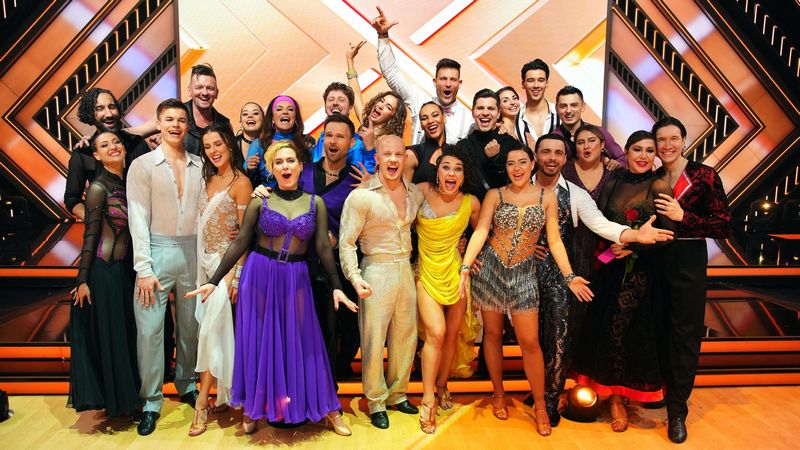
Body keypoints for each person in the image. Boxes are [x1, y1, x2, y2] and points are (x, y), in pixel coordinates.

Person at [187, 140, 356, 435]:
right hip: (260, 275)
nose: (285, 166)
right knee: (259, 343)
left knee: (306, 342)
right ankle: (253, 409)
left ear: (300, 166)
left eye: (290, 161)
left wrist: (336, 286)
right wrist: (213, 280)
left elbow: (322, 248)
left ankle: (329, 408)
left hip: (297, 277)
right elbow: (241, 242)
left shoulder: (314, 203)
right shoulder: (260, 200)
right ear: (271, 168)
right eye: (279, 162)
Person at [530, 133, 674, 426]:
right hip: (521, 277)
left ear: (565, 159)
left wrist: (634, 237)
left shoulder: (576, 194)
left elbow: (601, 224)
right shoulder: (518, 187)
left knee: (559, 336)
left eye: (558, 153)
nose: (552, 158)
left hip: (564, 275)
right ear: (535, 156)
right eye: (546, 152)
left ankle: (550, 399)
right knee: (530, 339)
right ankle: (536, 390)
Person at [459, 144, 594, 437]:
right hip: (491, 270)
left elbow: (554, 240)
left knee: (530, 341)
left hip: (524, 274)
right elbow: (481, 231)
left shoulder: (548, 197)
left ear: (532, 164)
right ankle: (498, 393)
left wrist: (569, 276)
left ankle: (541, 406)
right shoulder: (495, 195)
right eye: (511, 163)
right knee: (493, 334)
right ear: (506, 168)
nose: (517, 168)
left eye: (522, 162)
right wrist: (466, 266)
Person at [572, 130, 676, 432]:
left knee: (625, 335)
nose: (643, 156)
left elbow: (670, 234)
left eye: (649, 150)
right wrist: (613, 245)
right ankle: (604, 391)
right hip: (610, 268)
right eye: (637, 150)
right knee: (603, 333)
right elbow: (601, 221)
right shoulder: (614, 181)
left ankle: (619, 399)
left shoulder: (658, 185)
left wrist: (633, 246)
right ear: (626, 152)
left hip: (643, 274)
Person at [651, 117, 731, 443]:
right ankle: (661, 391)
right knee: (658, 330)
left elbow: (723, 225)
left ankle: (677, 411)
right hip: (654, 260)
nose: (667, 145)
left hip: (688, 260)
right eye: (661, 140)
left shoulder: (704, 176)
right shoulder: (653, 176)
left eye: (674, 138)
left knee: (685, 336)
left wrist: (684, 217)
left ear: (684, 140)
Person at [127, 99, 202, 436]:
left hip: (192, 251)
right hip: (156, 252)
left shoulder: (200, 164)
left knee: (190, 326)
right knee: (149, 331)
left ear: (188, 126)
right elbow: (137, 217)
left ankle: (187, 383)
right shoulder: (142, 165)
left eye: (181, 120)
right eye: (169, 119)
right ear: (158, 123)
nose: (175, 125)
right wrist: (143, 268)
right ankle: (151, 401)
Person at [339, 135, 424, 430]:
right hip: (375, 269)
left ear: (405, 158)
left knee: (406, 336)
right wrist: (355, 277)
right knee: (373, 339)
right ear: (377, 159)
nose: (393, 160)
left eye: (398, 154)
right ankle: (376, 401)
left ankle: (398, 393)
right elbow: (346, 242)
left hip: (406, 268)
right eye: (387, 154)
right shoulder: (361, 196)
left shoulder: (415, 193)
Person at [69, 131, 140, 418]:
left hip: (125, 272)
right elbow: (91, 236)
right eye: (104, 145)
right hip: (104, 272)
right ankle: (120, 405)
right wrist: (82, 279)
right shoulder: (98, 187)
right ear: (96, 155)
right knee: (115, 338)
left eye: (116, 142)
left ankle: (129, 401)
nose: (113, 147)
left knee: (127, 336)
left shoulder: (128, 182)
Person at [188, 123, 253, 436]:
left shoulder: (242, 183)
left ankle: (202, 402)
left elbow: (244, 236)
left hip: (226, 268)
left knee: (211, 331)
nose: (213, 151)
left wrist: (236, 276)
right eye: (207, 146)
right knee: (213, 331)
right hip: (204, 266)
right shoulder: (207, 179)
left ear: (229, 144)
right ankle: (224, 397)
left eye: (218, 144)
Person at [415, 144, 481, 433]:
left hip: (455, 273)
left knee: (452, 334)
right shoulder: (420, 191)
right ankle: (427, 399)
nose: (451, 173)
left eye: (458, 169)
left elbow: (481, 232)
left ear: (464, 175)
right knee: (437, 333)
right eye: (446, 167)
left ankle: (442, 385)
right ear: (437, 171)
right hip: (425, 271)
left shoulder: (472, 203)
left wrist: (471, 257)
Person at [300, 113, 362, 379]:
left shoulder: (358, 179)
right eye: (329, 135)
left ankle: (337, 374)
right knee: (306, 324)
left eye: (340, 136)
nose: (333, 141)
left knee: (346, 327)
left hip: (340, 265)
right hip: (303, 263)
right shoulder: (303, 171)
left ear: (351, 142)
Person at [371, 7, 473, 144]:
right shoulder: (419, 101)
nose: (448, 84)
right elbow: (392, 74)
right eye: (443, 79)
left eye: (453, 80)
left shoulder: (469, 118)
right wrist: (383, 36)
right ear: (434, 82)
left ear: (459, 84)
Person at [66, 88, 150, 219]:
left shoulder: (137, 143)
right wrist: (99, 222)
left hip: (145, 222)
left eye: (112, 107)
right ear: (90, 114)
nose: (109, 114)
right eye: (99, 109)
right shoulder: (83, 153)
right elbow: (72, 199)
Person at [126, 64, 231, 156]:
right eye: (199, 87)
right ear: (189, 91)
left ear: (216, 93)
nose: (204, 93)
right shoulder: (170, 114)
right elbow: (136, 132)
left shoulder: (224, 124)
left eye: (210, 88)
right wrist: (114, 133)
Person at [457, 89, 520, 199]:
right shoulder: (462, 147)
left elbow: (515, 185)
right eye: (480, 108)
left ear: (498, 113)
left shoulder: (512, 145)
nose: (485, 113)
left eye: (490, 108)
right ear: (473, 112)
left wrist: (495, 159)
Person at [246, 95, 312, 186]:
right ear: (272, 118)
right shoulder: (258, 145)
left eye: (290, 109)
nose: (285, 112)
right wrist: (249, 170)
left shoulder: (307, 143)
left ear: (296, 118)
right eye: (279, 109)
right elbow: (243, 179)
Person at [552, 85, 625, 168]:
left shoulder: (599, 132)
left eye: (574, 105)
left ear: (583, 107)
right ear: (556, 109)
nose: (568, 110)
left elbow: (622, 158)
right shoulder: (553, 139)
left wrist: (616, 164)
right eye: (563, 106)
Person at [310, 82, 372, 173]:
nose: (335, 103)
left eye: (341, 100)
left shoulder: (358, 146)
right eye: (331, 99)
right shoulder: (322, 139)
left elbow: (364, 176)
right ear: (325, 107)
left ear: (350, 108)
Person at [516, 59, 559, 149]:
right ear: (523, 84)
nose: (536, 85)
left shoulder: (560, 114)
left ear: (547, 83)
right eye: (530, 80)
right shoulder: (515, 119)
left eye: (541, 80)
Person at [404, 101, 446, 182]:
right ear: (421, 125)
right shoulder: (412, 153)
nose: (430, 121)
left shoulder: (454, 152)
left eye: (435, 115)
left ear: (444, 119)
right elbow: (403, 188)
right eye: (424, 118)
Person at [236, 102, 264, 186]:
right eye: (245, 114)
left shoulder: (271, 143)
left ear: (263, 119)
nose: (250, 116)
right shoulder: (231, 145)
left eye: (255, 113)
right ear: (240, 122)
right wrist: (246, 170)